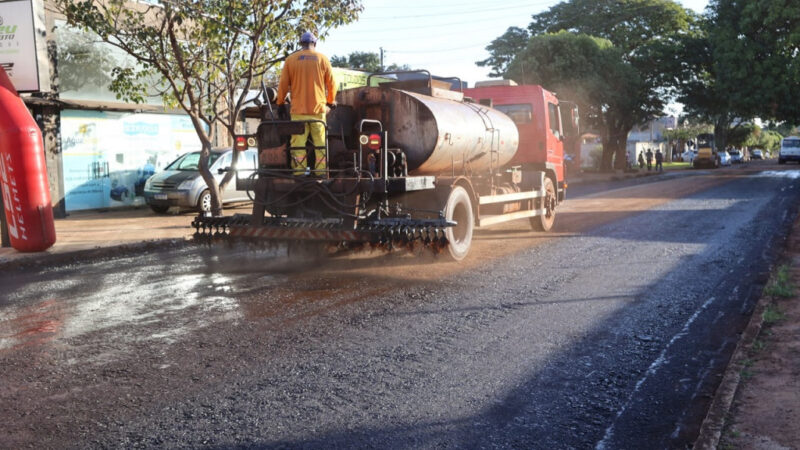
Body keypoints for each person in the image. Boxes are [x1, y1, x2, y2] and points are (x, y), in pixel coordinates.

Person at [276, 31, 337, 176]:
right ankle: (321, 172)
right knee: (320, 143)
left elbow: (283, 84)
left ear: (301, 44)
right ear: (314, 44)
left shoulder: (291, 60)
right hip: (318, 110)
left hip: (298, 112)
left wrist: (280, 103)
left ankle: (299, 173)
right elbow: (332, 84)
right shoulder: (322, 59)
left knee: (297, 144)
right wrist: (330, 101)